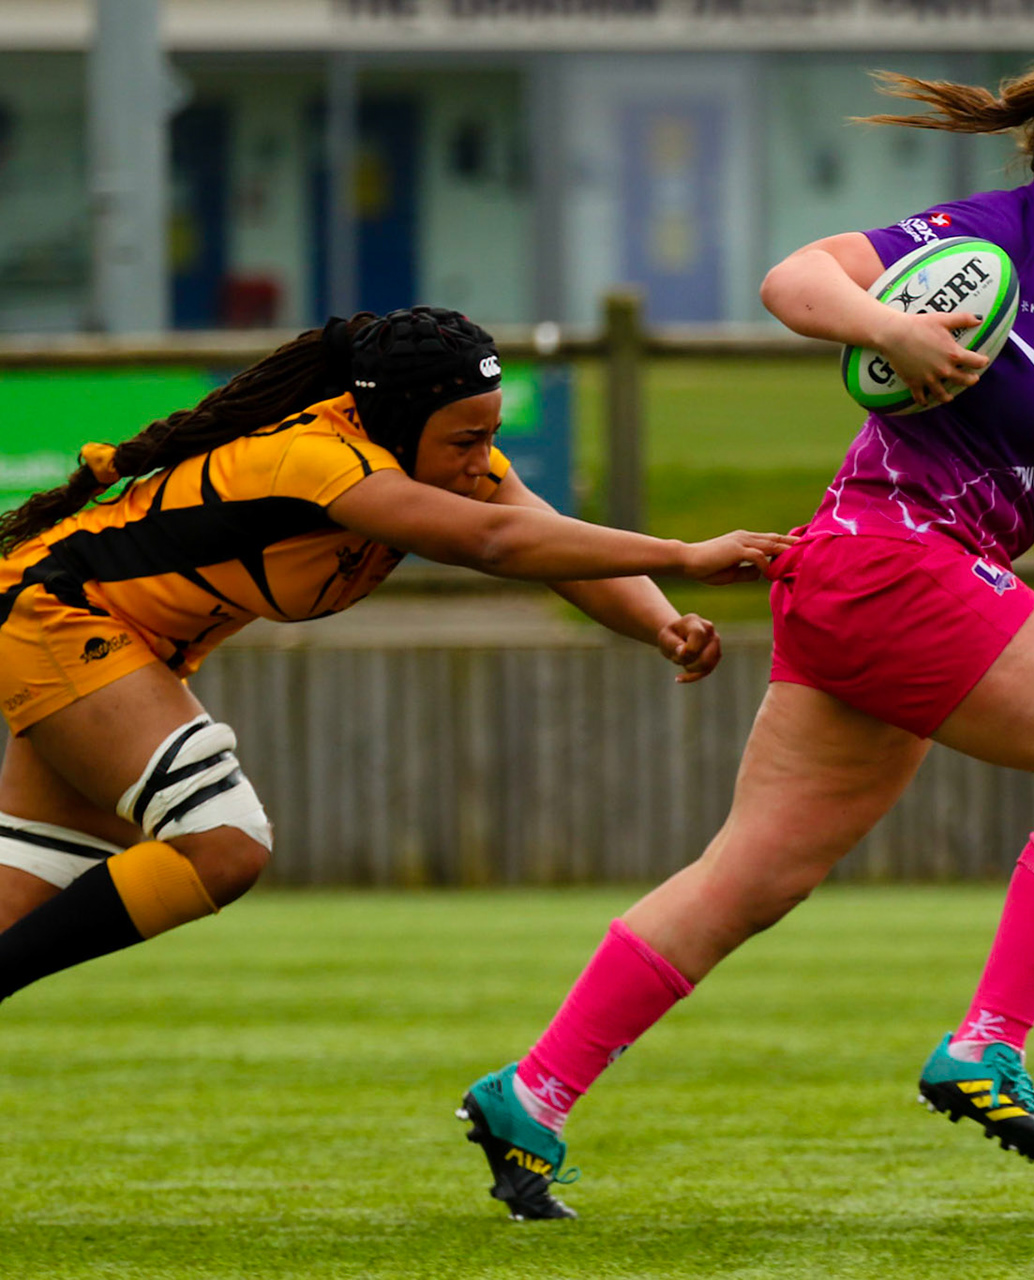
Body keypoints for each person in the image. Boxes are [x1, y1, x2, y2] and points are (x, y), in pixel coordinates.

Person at [454, 48, 1034, 1221]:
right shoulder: (984, 240)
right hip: (895, 561)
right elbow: (792, 280)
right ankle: (988, 1041)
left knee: (754, 876)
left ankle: (531, 1091)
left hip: (868, 575)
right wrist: (895, 327)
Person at [0, 306, 791, 1003]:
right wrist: (684, 555)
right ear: (395, 426)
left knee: (30, 888)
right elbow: (497, 542)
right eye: (466, 440)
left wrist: (660, 624)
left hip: (109, 636)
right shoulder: (320, 459)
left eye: (492, 435)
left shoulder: (438, 458)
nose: (484, 460)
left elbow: (544, 537)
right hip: (55, 613)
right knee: (224, 844)